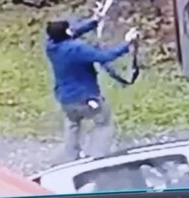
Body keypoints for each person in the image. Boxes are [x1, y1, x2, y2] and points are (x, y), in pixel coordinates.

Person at [45, 9, 139, 162]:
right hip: (86, 98)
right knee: (103, 123)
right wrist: (127, 43)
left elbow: (73, 32)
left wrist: (94, 21)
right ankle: (98, 157)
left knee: (72, 123)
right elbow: (104, 56)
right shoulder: (77, 49)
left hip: (65, 99)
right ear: (66, 32)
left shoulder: (51, 46)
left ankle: (71, 157)